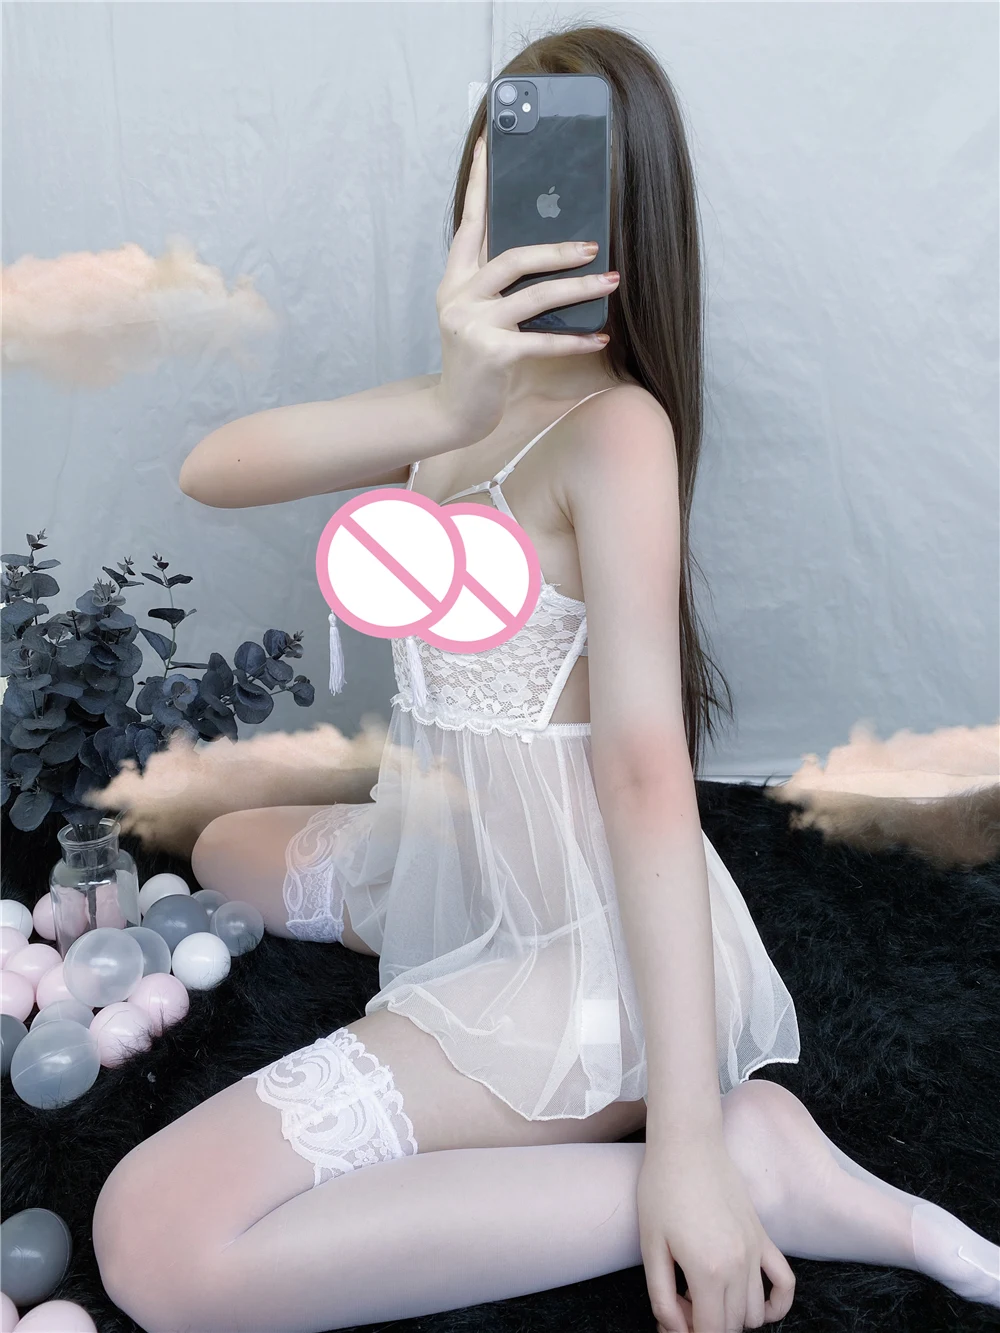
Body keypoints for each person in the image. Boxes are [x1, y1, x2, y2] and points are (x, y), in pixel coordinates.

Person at [91, 24, 1000, 1333]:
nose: (524, 224)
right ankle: (466, 941)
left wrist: (687, 1142)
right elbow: (210, 470)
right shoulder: (459, 409)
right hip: (450, 858)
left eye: (566, 195)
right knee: (229, 845)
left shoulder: (615, 430)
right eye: (500, 184)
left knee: (155, 1240)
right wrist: (445, 404)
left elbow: (642, 771)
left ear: (630, 228)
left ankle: (754, 1166)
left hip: (576, 949)